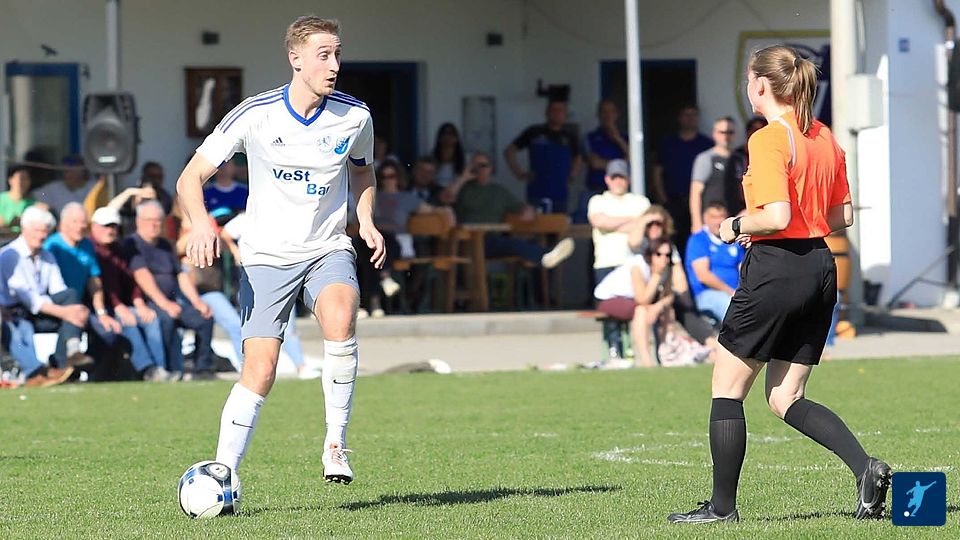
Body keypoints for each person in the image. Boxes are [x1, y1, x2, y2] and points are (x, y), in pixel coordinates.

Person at [668, 45, 889, 524]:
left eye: (749, 79)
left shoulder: (769, 137)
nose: (748, 86)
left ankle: (721, 509)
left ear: (761, 85)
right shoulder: (823, 135)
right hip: (820, 267)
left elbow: (777, 216)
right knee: (784, 397)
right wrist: (775, 223)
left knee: (727, 389)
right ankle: (866, 468)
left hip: (777, 269)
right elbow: (842, 216)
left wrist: (733, 226)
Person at [177, 16, 386, 484]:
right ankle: (224, 474)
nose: (334, 65)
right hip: (266, 256)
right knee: (261, 369)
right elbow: (190, 178)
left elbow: (362, 171)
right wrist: (202, 224)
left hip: (326, 246)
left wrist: (366, 219)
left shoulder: (355, 116)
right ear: (295, 59)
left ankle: (335, 444)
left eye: (337, 54)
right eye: (323, 55)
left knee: (341, 315)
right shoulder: (255, 114)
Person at [0, 206, 92, 386]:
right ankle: (37, 372)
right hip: (15, 311)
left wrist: (74, 310)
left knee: (72, 298)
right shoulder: (11, 255)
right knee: (20, 330)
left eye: (45, 231)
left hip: (36, 309)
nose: (42, 236)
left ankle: (68, 356)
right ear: (24, 229)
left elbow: (59, 290)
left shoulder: (47, 255)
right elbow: (28, 298)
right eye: (37, 231)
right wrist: (66, 313)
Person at [126, 201, 215, 381]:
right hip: (149, 302)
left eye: (158, 220)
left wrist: (197, 301)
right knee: (165, 320)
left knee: (204, 318)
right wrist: (165, 304)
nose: (154, 224)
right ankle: (167, 369)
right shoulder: (132, 244)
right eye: (150, 220)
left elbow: (181, 275)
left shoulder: (166, 245)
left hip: (173, 301)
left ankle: (202, 369)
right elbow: (143, 277)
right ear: (139, 221)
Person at [443, 152, 575, 270]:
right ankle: (546, 256)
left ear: (491, 168)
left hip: (491, 239)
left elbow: (522, 207)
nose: (479, 169)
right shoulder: (463, 188)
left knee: (519, 243)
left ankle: (547, 255)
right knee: (514, 244)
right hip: (466, 240)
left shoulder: (499, 192)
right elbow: (446, 198)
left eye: (483, 165)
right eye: (475, 165)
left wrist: (527, 212)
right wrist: (463, 177)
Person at [355, 159, 447, 317]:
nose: (388, 180)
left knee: (381, 246)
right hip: (373, 238)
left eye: (391, 176)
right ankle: (384, 281)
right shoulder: (373, 197)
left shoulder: (406, 198)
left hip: (396, 240)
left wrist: (446, 211)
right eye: (384, 177)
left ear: (398, 177)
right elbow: (357, 219)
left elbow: (431, 209)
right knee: (369, 248)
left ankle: (372, 302)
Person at [89, 206, 168, 381]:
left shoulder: (118, 249)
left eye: (113, 226)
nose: (110, 230)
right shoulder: (90, 249)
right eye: (106, 226)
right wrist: (119, 307)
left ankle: (160, 368)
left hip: (120, 305)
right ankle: (147, 369)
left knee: (150, 318)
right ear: (94, 226)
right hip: (101, 308)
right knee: (128, 322)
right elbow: (99, 286)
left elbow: (130, 281)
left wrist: (139, 302)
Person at [650, 105, 712, 255]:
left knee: (698, 240)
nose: (690, 118)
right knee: (672, 240)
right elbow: (657, 172)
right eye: (686, 114)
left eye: (693, 114)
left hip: (699, 203)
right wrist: (663, 199)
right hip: (673, 201)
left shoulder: (706, 144)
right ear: (679, 118)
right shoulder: (668, 143)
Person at [504, 99, 582, 213]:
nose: (557, 113)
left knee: (558, 223)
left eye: (560, 110)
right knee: (537, 223)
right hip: (537, 192)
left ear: (565, 114)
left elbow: (578, 157)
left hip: (560, 194)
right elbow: (509, 151)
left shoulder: (570, 136)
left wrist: (572, 176)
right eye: (553, 110)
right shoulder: (534, 132)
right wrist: (519, 173)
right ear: (546, 112)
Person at [587, 159, 650, 283]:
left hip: (635, 264)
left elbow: (646, 226)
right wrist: (633, 219)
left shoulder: (641, 201)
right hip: (605, 264)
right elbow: (599, 222)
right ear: (607, 179)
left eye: (622, 177)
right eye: (614, 178)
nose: (618, 182)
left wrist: (610, 225)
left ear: (628, 179)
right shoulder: (597, 200)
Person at [684, 202, 745, 321]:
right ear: (705, 218)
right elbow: (703, 276)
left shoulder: (733, 240)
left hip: (736, 293)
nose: (718, 222)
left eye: (721, 217)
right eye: (713, 217)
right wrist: (731, 292)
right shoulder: (699, 240)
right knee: (732, 309)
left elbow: (742, 269)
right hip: (708, 294)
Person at [689, 117, 737, 232]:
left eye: (730, 132)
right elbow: (695, 193)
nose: (726, 136)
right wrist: (696, 223)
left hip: (735, 220)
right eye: (722, 132)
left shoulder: (740, 159)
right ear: (714, 134)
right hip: (711, 222)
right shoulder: (706, 159)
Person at [723, 116, 768, 217]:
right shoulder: (737, 156)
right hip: (740, 209)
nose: (757, 132)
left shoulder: (772, 154)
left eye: (761, 129)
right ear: (748, 132)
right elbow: (730, 187)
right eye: (754, 129)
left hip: (766, 207)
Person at [30, 155, 95, 215]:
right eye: (66, 171)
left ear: (82, 171)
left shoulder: (93, 187)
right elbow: (34, 196)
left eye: (71, 170)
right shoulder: (54, 188)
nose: (68, 174)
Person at [0, 166, 40, 231]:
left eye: (26, 179)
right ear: (10, 180)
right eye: (20, 178)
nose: (22, 182)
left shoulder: (33, 203)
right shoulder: (1, 199)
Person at [432, 122, 466, 187]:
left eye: (451, 134)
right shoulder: (432, 159)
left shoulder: (464, 161)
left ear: (456, 138)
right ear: (439, 138)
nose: (447, 137)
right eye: (444, 134)